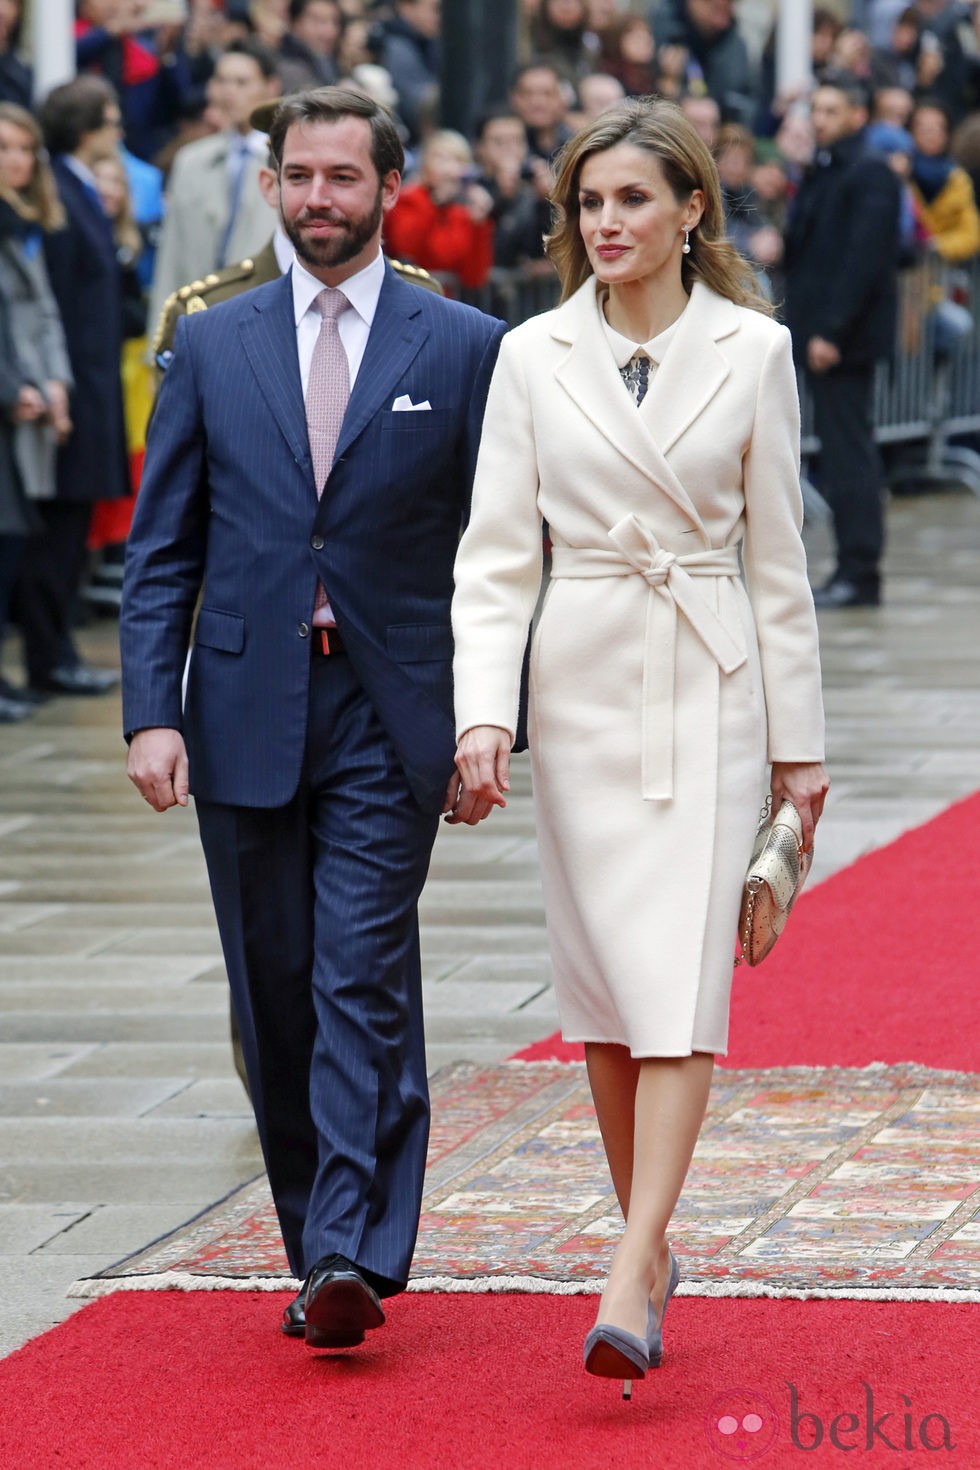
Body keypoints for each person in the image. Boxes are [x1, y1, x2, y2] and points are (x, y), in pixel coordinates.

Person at [120, 85, 505, 1352]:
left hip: (389, 709)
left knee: (358, 974)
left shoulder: (461, 347)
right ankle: (316, 1236)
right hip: (237, 708)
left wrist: (488, 716)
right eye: (299, 177)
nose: (317, 201)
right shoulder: (209, 342)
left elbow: (500, 555)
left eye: (342, 177)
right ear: (275, 186)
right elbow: (163, 549)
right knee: (270, 993)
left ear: (386, 185)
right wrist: (149, 713)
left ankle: (352, 1247)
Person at [450, 96, 827, 1390]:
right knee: (610, 994)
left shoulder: (757, 350)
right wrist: (483, 710)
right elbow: (497, 557)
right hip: (581, 681)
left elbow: (780, 563)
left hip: (709, 678)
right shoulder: (530, 354)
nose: (604, 223)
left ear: (690, 212)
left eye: (629, 200)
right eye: (587, 204)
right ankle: (650, 1246)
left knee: (678, 985)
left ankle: (631, 1256)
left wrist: (801, 749)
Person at [16, 76, 127, 697]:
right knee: (56, 527)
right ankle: (48, 654)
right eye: (111, 120)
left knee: (70, 526)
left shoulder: (78, 190)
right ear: (87, 128)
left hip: (90, 379)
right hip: (74, 385)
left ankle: (56, 649)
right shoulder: (61, 189)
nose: (119, 131)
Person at [783, 76, 902, 609]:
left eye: (832, 109)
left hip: (842, 343)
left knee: (851, 452)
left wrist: (832, 330)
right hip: (819, 336)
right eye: (817, 109)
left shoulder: (871, 174)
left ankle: (860, 570)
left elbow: (863, 260)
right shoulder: (824, 172)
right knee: (838, 451)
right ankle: (852, 567)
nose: (821, 118)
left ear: (857, 115)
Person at [0, 103, 73, 712]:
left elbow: (44, 313)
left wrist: (56, 380)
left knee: (22, 538)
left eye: (25, 149)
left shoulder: (26, 222)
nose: (16, 161)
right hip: (10, 398)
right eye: (5, 148)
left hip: (30, 395)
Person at [147, 39, 281, 338]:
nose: (228, 91)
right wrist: (160, 337)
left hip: (264, 326)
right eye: (221, 80)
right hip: (199, 323)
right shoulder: (191, 161)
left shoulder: (289, 162)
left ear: (271, 87)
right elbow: (172, 253)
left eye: (241, 82)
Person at [383, 128, 494, 289]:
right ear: (425, 163)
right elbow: (406, 248)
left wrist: (479, 224)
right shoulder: (408, 198)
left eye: (458, 160)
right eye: (441, 158)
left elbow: (474, 277)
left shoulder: (462, 214)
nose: (449, 168)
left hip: (449, 303)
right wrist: (435, 203)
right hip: (412, 295)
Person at [908, 96, 980, 260]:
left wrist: (936, 245)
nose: (930, 134)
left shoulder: (957, 178)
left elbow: (970, 234)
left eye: (938, 127)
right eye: (923, 127)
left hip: (937, 276)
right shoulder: (897, 173)